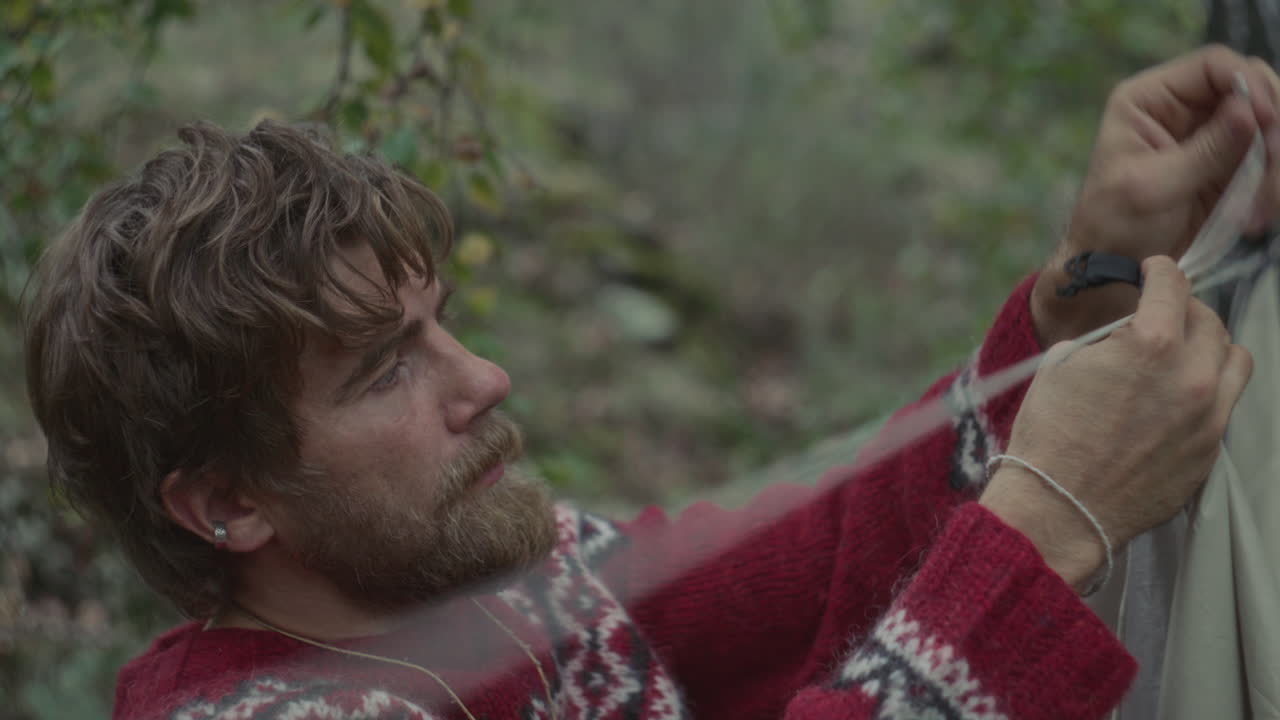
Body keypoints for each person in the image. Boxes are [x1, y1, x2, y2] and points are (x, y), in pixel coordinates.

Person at [22, 45, 1279, 719]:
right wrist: (1041, 528)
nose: (485, 380)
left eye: (441, 324)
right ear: (228, 503)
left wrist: (1082, 284)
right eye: (384, 371)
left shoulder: (498, 580)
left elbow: (808, 567)